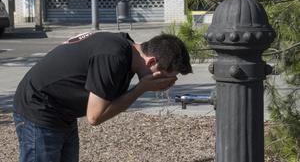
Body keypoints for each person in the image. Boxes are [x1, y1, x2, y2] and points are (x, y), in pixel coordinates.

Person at [13, 32, 192, 162]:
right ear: (151, 62)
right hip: (38, 107)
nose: (166, 83)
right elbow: (94, 117)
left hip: (62, 112)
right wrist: (141, 88)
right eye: (164, 76)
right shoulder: (113, 56)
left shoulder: (127, 52)